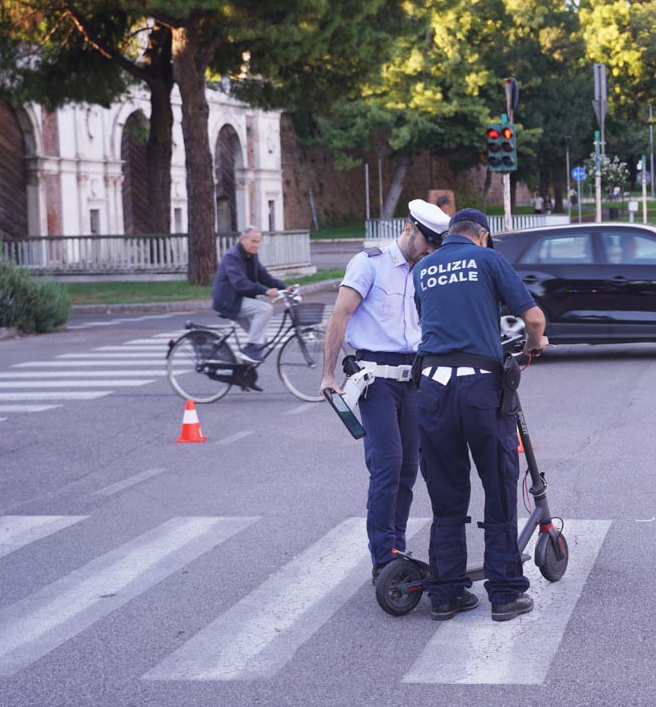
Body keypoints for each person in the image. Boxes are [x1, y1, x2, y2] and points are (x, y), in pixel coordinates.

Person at [412, 208, 547, 622]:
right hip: (479, 390)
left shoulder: (423, 269)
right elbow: (534, 318)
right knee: (499, 488)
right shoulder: (488, 259)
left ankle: (446, 593)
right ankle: (505, 593)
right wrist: (535, 345)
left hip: (432, 389)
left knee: (447, 494)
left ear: (449, 233)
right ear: (482, 236)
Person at [319, 199, 451, 583]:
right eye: (426, 241)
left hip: (413, 380)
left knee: (410, 468)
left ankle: (395, 545)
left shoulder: (423, 270)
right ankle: (383, 557)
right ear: (409, 229)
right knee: (387, 466)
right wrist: (328, 374)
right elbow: (340, 314)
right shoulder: (370, 263)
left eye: (434, 245)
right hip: (375, 381)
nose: (428, 250)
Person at [212, 226, 287, 362]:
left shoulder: (251, 256)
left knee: (261, 340)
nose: (256, 245)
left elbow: (264, 277)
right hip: (228, 301)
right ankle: (249, 349)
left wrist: (286, 288)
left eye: (258, 242)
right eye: (253, 241)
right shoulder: (232, 257)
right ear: (242, 240)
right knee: (265, 309)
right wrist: (265, 291)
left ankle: (243, 374)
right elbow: (240, 283)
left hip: (239, 300)